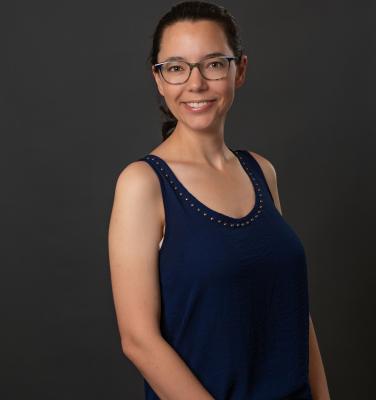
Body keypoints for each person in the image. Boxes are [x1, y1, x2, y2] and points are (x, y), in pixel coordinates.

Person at [108, 1, 330, 399]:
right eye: (176, 67)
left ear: (239, 70)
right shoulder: (143, 184)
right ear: (159, 79)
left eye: (212, 64)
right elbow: (138, 340)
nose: (195, 84)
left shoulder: (261, 171)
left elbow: (295, 310)